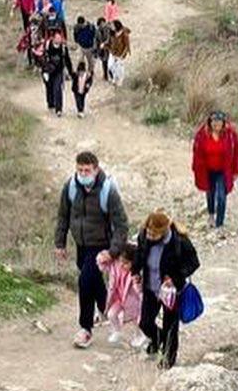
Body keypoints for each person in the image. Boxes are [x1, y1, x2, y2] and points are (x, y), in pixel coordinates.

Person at [55, 151, 129, 350]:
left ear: (96, 169)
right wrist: (60, 243)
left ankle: (85, 328)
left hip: (101, 245)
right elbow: (63, 216)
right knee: (92, 279)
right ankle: (109, 309)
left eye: (87, 170)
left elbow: (122, 225)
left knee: (85, 280)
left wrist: (112, 252)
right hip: (81, 243)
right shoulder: (70, 187)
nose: (83, 173)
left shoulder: (108, 190)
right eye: (80, 169)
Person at [132, 211, 199, 369]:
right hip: (151, 288)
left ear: (163, 231)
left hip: (172, 292)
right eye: (148, 231)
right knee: (145, 323)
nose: (149, 235)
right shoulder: (144, 236)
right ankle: (157, 340)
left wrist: (175, 278)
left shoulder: (179, 242)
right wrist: (135, 271)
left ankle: (168, 359)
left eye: (153, 234)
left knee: (170, 326)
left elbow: (193, 263)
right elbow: (140, 254)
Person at [191, 110, 238, 229]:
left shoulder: (230, 134)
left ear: (223, 123)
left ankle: (219, 223)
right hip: (207, 170)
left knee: (221, 196)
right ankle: (211, 214)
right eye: (214, 122)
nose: (216, 125)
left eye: (219, 122)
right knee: (210, 193)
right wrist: (196, 168)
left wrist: (237, 170)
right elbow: (196, 152)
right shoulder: (202, 134)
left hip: (223, 171)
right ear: (210, 122)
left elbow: (237, 154)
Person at [97, 243, 142, 347]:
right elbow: (102, 265)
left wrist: (137, 283)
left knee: (137, 320)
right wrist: (104, 256)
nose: (122, 265)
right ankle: (116, 331)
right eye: (121, 261)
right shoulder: (115, 266)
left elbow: (139, 290)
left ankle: (139, 335)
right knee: (111, 314)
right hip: (118, 298)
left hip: (132, 301)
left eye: (126, 263)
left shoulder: (135, 274)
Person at [41, 31, 74, 117]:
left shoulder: (63, 48)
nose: (59, 40)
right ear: (53, 38)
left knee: (58, 88)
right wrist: (44, 71)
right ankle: (51, 103)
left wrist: (71, 72)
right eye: (57, 38)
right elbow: (43, 59)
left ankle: (59, 109)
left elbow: (67, 60)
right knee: (49, 88)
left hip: (59, 71)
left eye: (60, 38)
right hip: (48, 71)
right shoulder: (47, 46)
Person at [107, 19, 131, 87]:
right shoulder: (112, 33)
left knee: (119, 68)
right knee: (110, 66)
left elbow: (126, 46)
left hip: (120, 54)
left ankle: (120, 81)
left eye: (112, 25)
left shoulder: (124, 34)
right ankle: (114, 77)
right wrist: (104, 45)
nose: (111, 26)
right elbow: (109, 42)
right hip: (112, 53)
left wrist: (122, 55)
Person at [95, 16, 112, 82]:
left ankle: (111, 76)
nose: (102, 25)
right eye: (101, 24)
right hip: (102, 50)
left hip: (108, 48)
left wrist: (104, 44)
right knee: (104, 63)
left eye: (103, 23)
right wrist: (97, 48)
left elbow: (109, 38)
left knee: (110, 63)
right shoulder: (97, 31)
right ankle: (105, 76)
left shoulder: (109, 29)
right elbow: (96, 40)